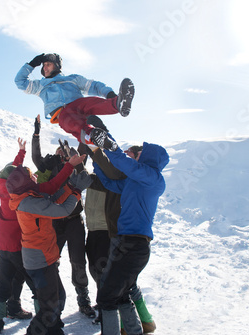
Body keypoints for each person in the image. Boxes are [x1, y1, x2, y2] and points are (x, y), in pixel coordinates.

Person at [0, 139, 86, 335]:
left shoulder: (14, 190)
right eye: (30, 175)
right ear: (24, 181)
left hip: (8, 247)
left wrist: (68, 169)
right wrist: (75, 190)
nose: (34, 176)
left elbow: (46, 188)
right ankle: (44, 324)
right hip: (30, 253)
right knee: (42, 295)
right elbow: (56, 203)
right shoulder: (29, 200)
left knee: (5, 283)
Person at [79, 116, 157, 333]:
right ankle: (141, 324)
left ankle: (130, 326)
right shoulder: (128, 180)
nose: (127, 156)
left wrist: (100, 135)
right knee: (125, 287)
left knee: (113, 290)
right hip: (119, 235)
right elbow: (106, 175)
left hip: (125, 239)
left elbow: (113, 164)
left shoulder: (134, 174)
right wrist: (91, 151)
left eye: (132, 154)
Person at [91, 130, 169, 335]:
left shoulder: (153, 178)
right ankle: (135, 330)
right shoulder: (134, 180)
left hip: (134, 245)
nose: (139, 156)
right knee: (122, 293)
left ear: (151, 157)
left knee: (106, 297)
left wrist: (110, 145)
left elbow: (125, 163)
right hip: (123, 241)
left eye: (143, 154)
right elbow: (110, 184)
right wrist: (96, 161)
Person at [31, 115, 96, 319]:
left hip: (75, 220)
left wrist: (79, 142)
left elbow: (84, 171)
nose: (61, 151)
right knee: (51, 261)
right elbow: (36, 157)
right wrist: (36, 133)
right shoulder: (50, 165)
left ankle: (83, 298)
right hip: (55, 221)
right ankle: (50, 299)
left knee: (78, 260)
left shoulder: (76, 166)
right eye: (60, 149)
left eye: (64, 150)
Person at [14, 53, 135, 146]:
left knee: (90, 102)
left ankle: (118, 104)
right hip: (61, 113)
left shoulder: (72, 79)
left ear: (56, 66)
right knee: (70, 121)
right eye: (43, 65)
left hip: (79, 106)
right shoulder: (40, 85)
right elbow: (20, 82)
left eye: (48, 65)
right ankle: (92, 136)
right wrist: (32, 64)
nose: (45, 68)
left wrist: (110, 94)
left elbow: (94, 85)